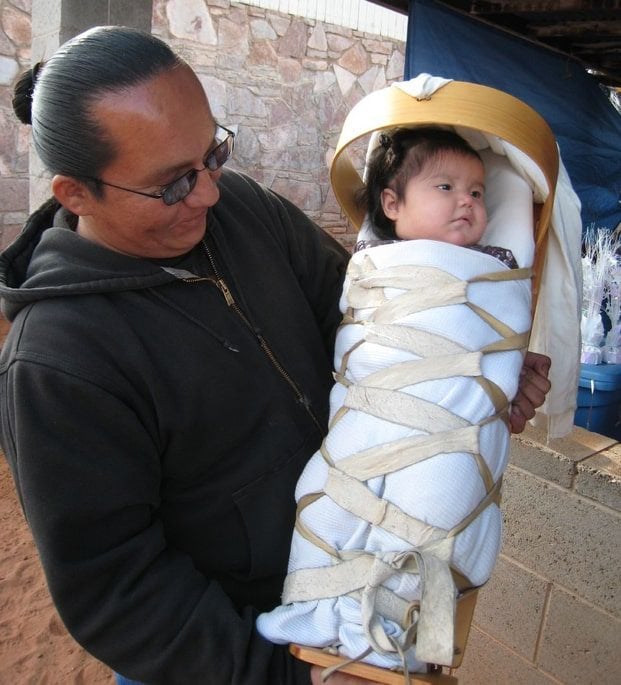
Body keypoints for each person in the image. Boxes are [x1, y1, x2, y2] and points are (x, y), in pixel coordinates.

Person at [0, 26, 550, 685]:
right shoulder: (57, 363)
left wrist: (465, 369)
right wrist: (296, 678)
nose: (207, 193)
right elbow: (117, 589)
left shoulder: (242, 210)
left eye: (213, 155)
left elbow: (361, 324)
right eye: (173, 185)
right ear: (75, 194)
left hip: (347, 594)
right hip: (222, 658)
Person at [257, 126, 539, 674]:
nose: (467, 201)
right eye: (445, 187)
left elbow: (501, 347)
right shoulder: (371, 267)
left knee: (434, 511)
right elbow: (355, 340)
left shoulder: (494, 271)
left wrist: (513, 370)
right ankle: (312, 610)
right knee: (321, 495)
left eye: (479, 192)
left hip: (445, 429)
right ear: (391, 203)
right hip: (366, 419)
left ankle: (400, 632)